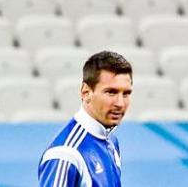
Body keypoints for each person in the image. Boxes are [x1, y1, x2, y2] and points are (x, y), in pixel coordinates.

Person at [38, 51, 133, 187]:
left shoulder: (111, 141)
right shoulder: (66, 154)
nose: (120, 103)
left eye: (126, 93)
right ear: (86, 92)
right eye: (111, 92)